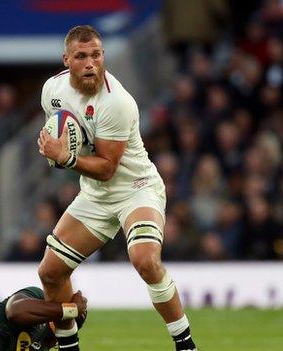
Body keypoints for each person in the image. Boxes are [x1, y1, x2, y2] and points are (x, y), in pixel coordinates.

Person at [37, 25, 198, 351]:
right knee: (51, 272)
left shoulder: (116, 102)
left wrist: (65, 158)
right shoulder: (52, 91)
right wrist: (58, 150)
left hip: (135, 188)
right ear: (66, 59)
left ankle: (186, 344)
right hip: (96, 195)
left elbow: (108, 168)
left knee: (144, 259)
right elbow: (67, 136)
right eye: (81, 56)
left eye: (96, 55)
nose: (90, 64)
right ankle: (69, 347)